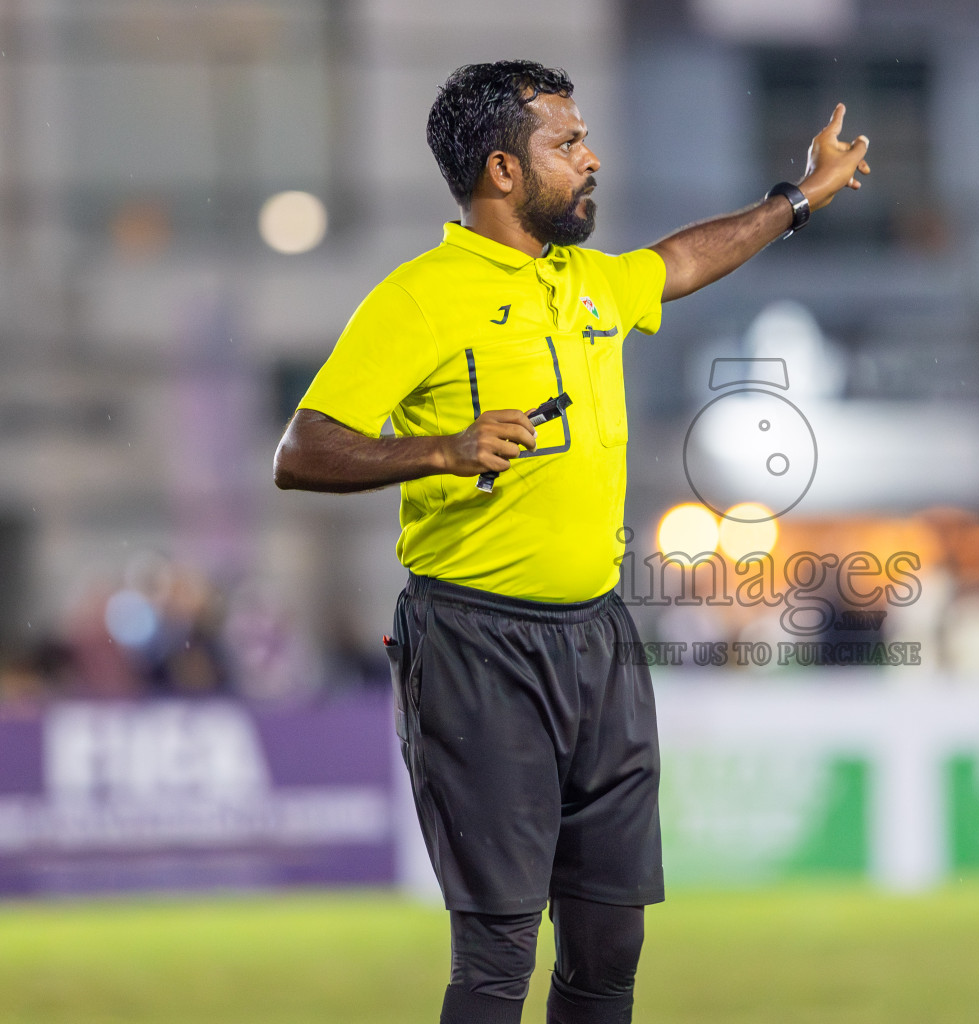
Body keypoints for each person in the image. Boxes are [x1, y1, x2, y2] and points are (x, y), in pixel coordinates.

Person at [272, 60, 870, 1024]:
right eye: (567, 143)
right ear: (503, 171)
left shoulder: (585, 283)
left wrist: (797, 197)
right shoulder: (419, 297)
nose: (591, 158)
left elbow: (680, 263)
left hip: (597, 638)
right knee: (499, 953)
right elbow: (301, 450)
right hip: (474, 644)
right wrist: (439, 448)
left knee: (608, 946)